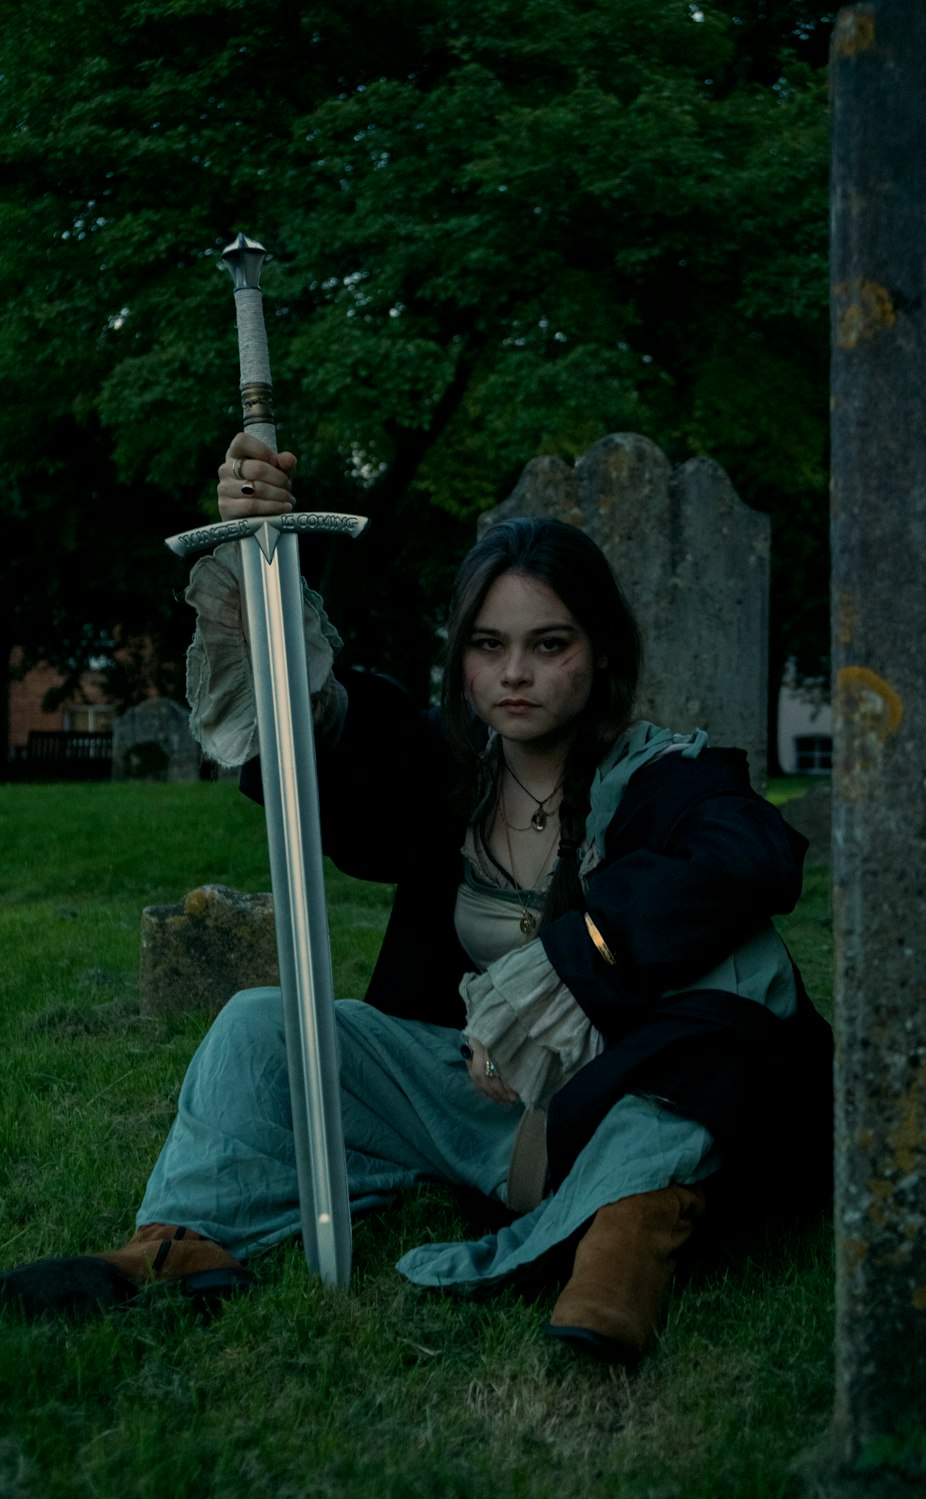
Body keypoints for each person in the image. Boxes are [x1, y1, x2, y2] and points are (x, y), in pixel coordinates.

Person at [0, 435, 833, 1361]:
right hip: (478, 1098)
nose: (514, 672)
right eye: (490, 645)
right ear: (464, 661)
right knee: (253, 1026)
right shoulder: (446, 766)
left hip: (628, 1102)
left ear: (600, 655)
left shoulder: (665, 775)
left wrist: (578, 955)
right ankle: (179, 1244)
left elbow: (754, 857)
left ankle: (622, 1250)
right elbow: (318, 730)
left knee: (722, 1023)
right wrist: (259, 554)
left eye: (548, 644)